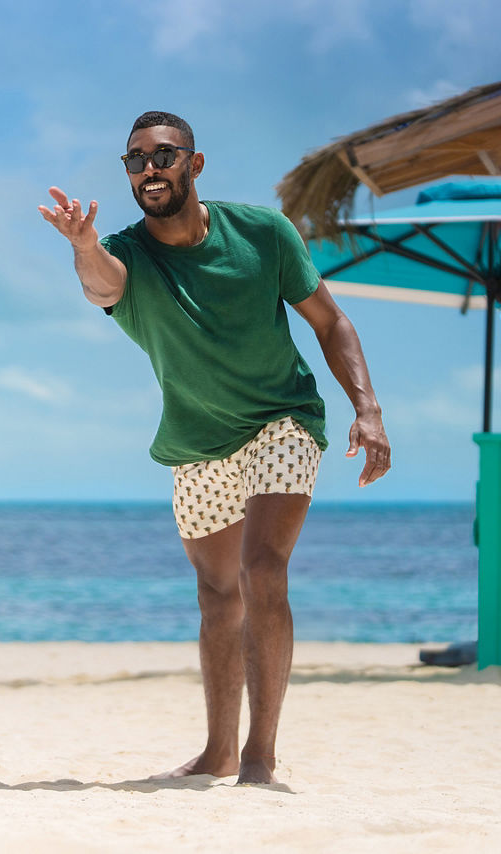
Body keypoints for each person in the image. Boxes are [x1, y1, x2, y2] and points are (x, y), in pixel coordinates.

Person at [38, 111, 391, 785]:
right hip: (195, 442)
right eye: (135, 160)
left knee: (262, 569)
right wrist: (82, 245)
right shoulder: (125, 252)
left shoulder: (264, 233)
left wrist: (366, 409)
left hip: (281, 418)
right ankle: (220, 751)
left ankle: (259, 755)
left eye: (163, 156)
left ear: (194, 164)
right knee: (217, 594)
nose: (149, 169)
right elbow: (103, 285)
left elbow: (330, 321)